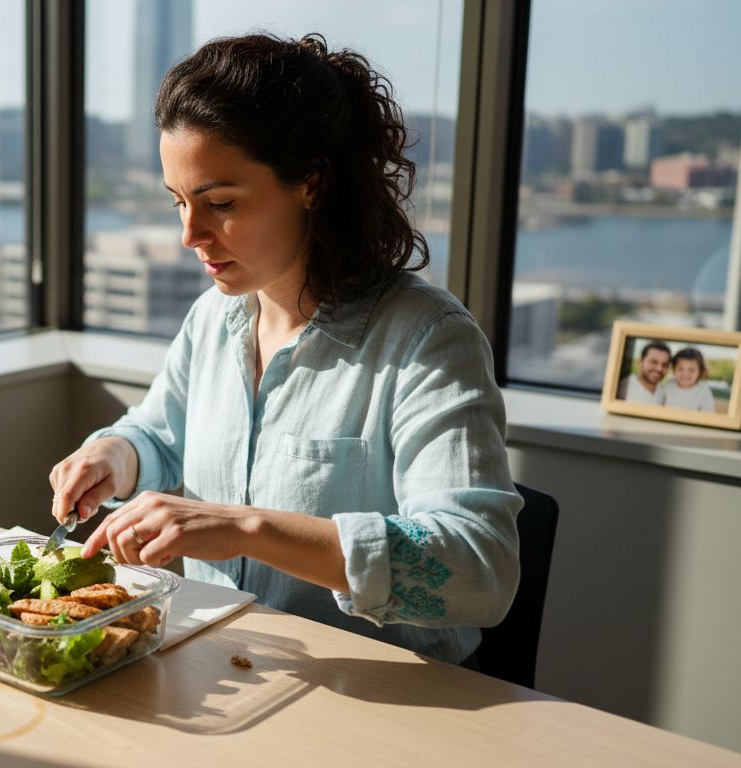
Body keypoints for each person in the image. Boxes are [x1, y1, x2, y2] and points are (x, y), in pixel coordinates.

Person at [47, 33, 521, 665]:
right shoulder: (214, 318)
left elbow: (479, 569)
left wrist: (247, 527)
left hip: (382, 698)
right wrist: (115, 454)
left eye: (220, 203)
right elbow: (161, 435)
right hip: (218, 667)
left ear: (311, 183)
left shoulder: (427, 340)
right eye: (179, 203)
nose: (191, 234)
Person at [662, 347, 715, 413]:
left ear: (699, 372)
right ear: (674, 370)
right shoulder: (669, 386)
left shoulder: (703, 391)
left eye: (691, 370)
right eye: (680, 369)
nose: (685, 374)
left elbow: (709, 415)